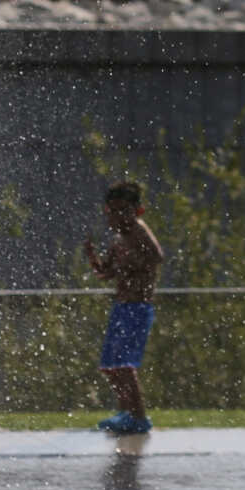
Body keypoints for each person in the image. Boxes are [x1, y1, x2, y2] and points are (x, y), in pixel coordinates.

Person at [85, 179, 163, 435]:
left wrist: (130, 264)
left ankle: (139, 417)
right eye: (112, 211)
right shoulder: (119, 239)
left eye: (123, 211)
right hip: (122, 306)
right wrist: (93, 259)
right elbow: (106, 272)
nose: (116, 217)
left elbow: (156, 256)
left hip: (138, 307)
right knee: (110, 365)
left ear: (137, 211)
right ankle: (125, 411)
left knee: (125, 364)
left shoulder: (138, 231)